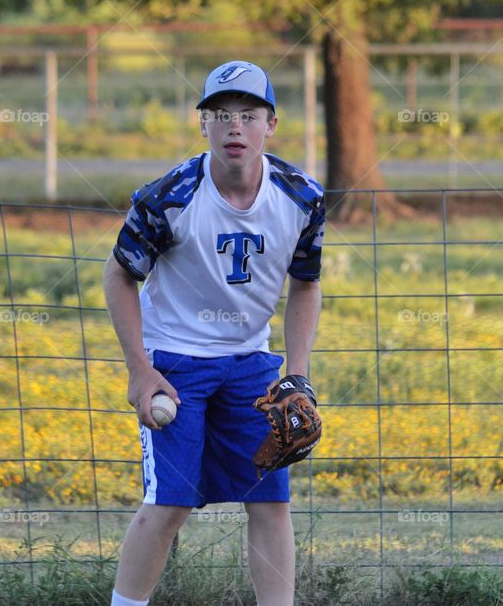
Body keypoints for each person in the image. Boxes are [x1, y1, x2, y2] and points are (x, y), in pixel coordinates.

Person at [104, 60, 326, 606]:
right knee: (170, 504)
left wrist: (296, 374)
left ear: (270, 124)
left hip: (251, 362)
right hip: (177, 362)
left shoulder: (302, 197)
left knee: (270, 501)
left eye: (248, 115)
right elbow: (119, 274)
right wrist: (140, 369)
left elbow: (306, 282)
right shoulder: (169, 197)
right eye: (221, 115)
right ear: (201, 123)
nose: (235, 127)